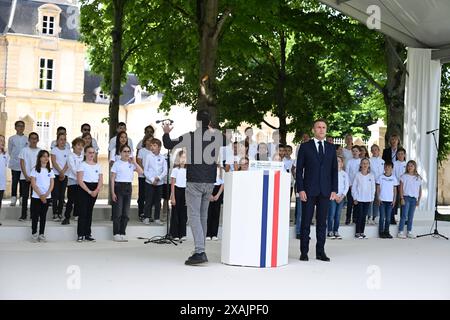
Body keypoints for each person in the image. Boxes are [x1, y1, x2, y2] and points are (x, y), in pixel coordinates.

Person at [162, 110, 224, 265]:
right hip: (210, 181)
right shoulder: (216, 137)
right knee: (203, 215)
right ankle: (200, 248)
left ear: (197, 122)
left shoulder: (190, 136)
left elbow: (168, 144)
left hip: (195, 181)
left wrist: (166, 132)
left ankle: (200, 251)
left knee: (194, 216)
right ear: (209, 123)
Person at [296, 119, 338, 262]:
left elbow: (334, 171)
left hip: (325, 191)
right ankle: (304, 252)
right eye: (318, 127)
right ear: (313, 129)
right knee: (305, 222)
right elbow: (299, 171)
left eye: (323, 127)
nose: (321, 130)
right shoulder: (305, 147)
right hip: (308, 190)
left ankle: (320, 252)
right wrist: (300, 189)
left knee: (322, 223)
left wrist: (334, 189)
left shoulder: (331, 148)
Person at [111, 145, 143, 242]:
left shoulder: (131, 163)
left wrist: (134, 162)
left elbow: (141, 172)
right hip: (119, 186)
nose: (126, 153)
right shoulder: (117, 164)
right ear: (120, 153)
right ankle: (116, 233)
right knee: (118, 212)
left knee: (126, 212)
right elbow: (112, 178)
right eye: (124, 151)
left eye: (128, 151)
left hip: (128, 187)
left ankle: (122, 232)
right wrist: (112, 192)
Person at [76, 146, 103, 242]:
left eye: (93, 152)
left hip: (94, 188)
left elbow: (100, 180)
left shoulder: (98, 166)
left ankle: (88, 233)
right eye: (89, 152)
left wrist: (96, 190)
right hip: (84, 189)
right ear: (85, 153)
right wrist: (89, 191)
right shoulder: (82, 165)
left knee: (89, 212)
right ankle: (80, 234)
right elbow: (80, 180)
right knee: (83, 212)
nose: (91, 154)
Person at [30, 150, 55, 242]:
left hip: (46, 197)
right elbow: (33, 184)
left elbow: (52, 184)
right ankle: (34, 233)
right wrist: (41, 195)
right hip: (36, 197)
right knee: (35, 216)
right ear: (40, 158)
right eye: (43, 156)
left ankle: (41, 234)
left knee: (43, 216)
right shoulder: (35, 170)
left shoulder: (50, 171)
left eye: (47, 156)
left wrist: (46, 194)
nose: (46, 158)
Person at [142, 138, 167, 225]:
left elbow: (165, 170)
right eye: (151, 145)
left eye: (155, 145)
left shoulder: (163, 158)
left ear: (159, 147)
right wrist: (152, 179)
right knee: (148, 200)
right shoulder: (148, 156)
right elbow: (145, 170)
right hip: (149, 182)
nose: (152, 147)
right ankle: (146, 217)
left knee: (158, 201)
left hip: (159, 183)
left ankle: (157, 218)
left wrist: (158, 178)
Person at [18, 132, 41, 221]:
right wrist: (26, 175)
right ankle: (23, 215)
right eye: (32, 138)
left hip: (35, 178)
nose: (33, 140)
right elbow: (22, 163)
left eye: (35, 138)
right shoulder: (24, 150)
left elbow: (40, 164)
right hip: (25, 177)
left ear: (38, 140)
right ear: (29, 140)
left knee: (34, 197)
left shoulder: (40, 151)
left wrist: (34, 177)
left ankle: (33, 215)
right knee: (24, 196)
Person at [61, 138, 85, 225]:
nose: (80, 147)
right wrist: (79, 177)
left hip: (82, 180)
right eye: (78, 145)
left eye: (82, 145)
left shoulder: (83, 156)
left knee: (80, 199)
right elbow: (73, 168)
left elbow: (85, 168)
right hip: (73, 180)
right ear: (74, 146)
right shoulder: (70, 156)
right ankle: (67, 217)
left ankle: (77, 214)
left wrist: (82, 178)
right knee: (71, 199)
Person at [351, 158, 376, 239]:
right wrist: (355, 197)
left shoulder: (371, 176)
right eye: (363, 163)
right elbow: (354, 187)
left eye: (366, 163)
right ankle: (357, 232)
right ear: (361, 165)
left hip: (367, 199)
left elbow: (373, 188)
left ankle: (362, 232)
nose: (365, 165)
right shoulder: (357, 175)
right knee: (359, 215)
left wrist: (372, 197)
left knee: (364, 216)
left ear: (369, 165)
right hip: (359, 199)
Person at [398, 160, 422, 239]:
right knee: (404, 215)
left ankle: (409, 231)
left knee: (411, 216)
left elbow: (419, 189)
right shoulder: (403, 176)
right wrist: (401, 198)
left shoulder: (418, 177)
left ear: (415, 167)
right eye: (408, 166)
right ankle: (400, 231)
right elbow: (401, 188)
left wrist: (418, 200)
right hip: (406, 197)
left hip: (414, 199)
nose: (409, 167)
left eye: (411, 166)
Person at [327, 156, 349, 240]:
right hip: (333, 197)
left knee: (338, 215)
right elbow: (329, 185)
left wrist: (342, 196)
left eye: (339, 161)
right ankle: (330, 231)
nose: (337, 162)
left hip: (341, 198)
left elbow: (346, 186)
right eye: (336, 161)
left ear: (342, 164)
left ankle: (336, 230)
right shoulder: (331, 173)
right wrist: (336, 196)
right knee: (331, 214)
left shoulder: (344, 174)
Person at [8, 120, 28, 207]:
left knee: (22, 182)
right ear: (15, 127)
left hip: (24, 165)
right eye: (19, 126)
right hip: (15, 163)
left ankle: (22, 198)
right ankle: (13, 197)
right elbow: (10, 150)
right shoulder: (12, 138)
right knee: (15, 181)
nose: (21, 128)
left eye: (22, 126)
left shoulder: (27, 139)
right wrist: (15, 158)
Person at [51, 133, 70, 222]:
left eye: (64, 139)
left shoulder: (68, 151)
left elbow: (68, 163)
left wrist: (63, 172)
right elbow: (54, 162)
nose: (62, 141)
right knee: (55, 194)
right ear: (57, 141)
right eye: (61, 139)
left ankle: (60, 213)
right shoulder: (54, 150)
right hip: (55, 174)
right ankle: (54, 213)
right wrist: (60, 172)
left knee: (62, 195)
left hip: (64, 174)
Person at [169, 149, 187, 241]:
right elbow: (172, 183)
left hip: (185, 191)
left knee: (183, 213)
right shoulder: (175, 170)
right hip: (177, 190)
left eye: (184, 157)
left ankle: (182, 233)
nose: (183, 160)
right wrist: (173, 197)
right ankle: (174, 233)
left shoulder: (188, 171)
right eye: (181, 158)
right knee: (175, 212)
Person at [376, 162, 397, 239]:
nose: (387, 168)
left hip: (390, 201)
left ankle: (387, 232)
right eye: (386, 167)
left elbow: (395, 190)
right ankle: (381, 232)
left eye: (389, 167)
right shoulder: (380, 177)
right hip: (382, 200)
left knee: (388, 218)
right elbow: (378, 189)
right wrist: (378, 198)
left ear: (392, 168)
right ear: (384, 168)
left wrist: (394, 200)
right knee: (382, 217)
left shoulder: (394, 178)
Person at [136, 134, 153, 220]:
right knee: (142, 195)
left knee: (149, 196)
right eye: (149, 140)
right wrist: (145, 172)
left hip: (150, 178)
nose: (150, 142)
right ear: (145, 141)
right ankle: (141, 213)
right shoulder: (142, 151)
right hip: (142, 176)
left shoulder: (154, 151)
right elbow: (139, 162)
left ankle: (148, 214)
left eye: (151, 140)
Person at [206, 166, 224, 241]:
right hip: (210, 189)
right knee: (209, 212)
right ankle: (208, 234)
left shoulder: (222, 170)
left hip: (218, 190)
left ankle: (214, 234)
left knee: (216, 213)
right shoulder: (208, 168)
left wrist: (218, 195)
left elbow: (223, 184)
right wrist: (209, 194)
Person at [345, 146, 361, 225]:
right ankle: (348, 218)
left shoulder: (361, 161)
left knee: (357, 202)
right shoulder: (349, 161)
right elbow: (347, 174)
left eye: (356, 151)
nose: (355, 153)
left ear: (359, 152)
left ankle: (355, 218)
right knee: (350, 202)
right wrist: (350, 184)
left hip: (359, 186)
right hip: (350, 186)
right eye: (353, 151)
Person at [368, 144, 384, 224]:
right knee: (371, 199)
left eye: (376, 149)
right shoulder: (369, 160)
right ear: (371, 151)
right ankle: (369, 216)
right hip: (371, 182)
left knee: (378, 200)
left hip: (380, 184)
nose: (374, 151)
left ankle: (376, 216)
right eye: (373, 150)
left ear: (379, 150)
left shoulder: (382, 161)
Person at [392, 147, 407, 224]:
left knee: (404, 203)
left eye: (402, 154)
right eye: (399, 154)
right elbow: (393, 175)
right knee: (395, 202)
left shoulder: (407, 164)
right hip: (396, 185)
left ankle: (404, 219)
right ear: (397, 155)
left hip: (405, 187)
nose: (400, 155)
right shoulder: (394, 164)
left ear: (404, 155)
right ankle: (393, 218)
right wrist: (397, 184)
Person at [0, 135, 9, 226]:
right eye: (0, 140)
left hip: (1, 182)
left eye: (3, 141)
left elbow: (6, 165)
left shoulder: (5, 154)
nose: (1, 142)